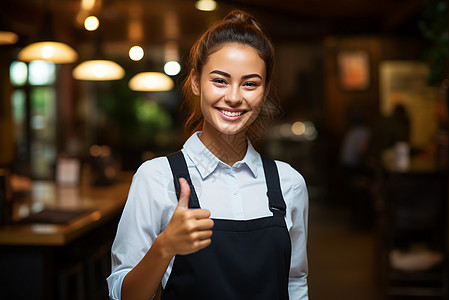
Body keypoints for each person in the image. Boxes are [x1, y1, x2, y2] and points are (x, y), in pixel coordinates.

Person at [107, 9, 309, 300]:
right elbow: (123, 294)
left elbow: (296, 281)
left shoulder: (289, 184)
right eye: (220, 80)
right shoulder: (156, 178)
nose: (235, 97)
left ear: (264, 93)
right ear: (194, 82)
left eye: (250, 83)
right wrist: (164, 246)